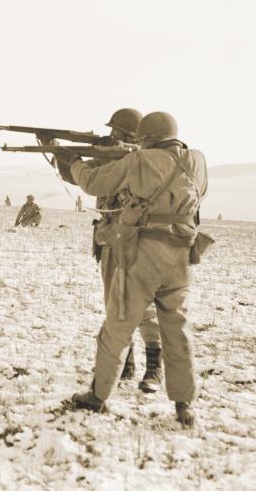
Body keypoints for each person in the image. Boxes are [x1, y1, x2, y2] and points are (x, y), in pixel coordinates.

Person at [60, 111, 208, 427]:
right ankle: (184, 406)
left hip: (142, 255)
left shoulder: (139, 160)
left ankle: (97, 396)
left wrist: (73, 161)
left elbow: (92, 181)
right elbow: (199, 194)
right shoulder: (196, 161)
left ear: (147, 137)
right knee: (177, 330)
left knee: (117, 326)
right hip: (180, 256)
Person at [58, 108, 161, 390]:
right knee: (114, 306)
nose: (110, 136)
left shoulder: (140, 161)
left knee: (144, 307)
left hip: (137, 242)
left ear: (130, 136)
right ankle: (126, 365)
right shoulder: (115, 158)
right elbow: (78, 176)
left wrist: (79, 159)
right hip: (109, 239)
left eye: (115, 132)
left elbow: (92, 181)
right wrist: (59, 151)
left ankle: (154, 367)